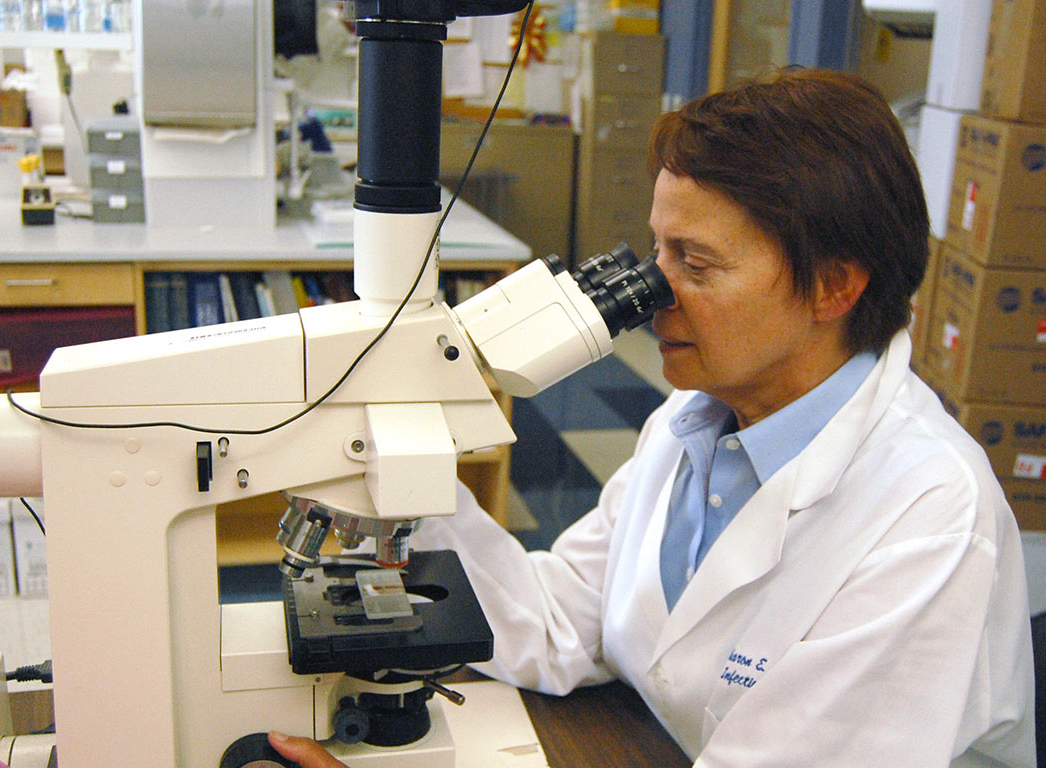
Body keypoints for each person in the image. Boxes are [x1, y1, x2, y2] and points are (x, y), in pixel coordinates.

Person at [270, 67, 1036, 767]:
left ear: (833, 288)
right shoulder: (694, 421)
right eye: (656, 252)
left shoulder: (929, 517)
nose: (652, 292)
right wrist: (409, 473)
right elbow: (566, 621)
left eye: (694, 264)